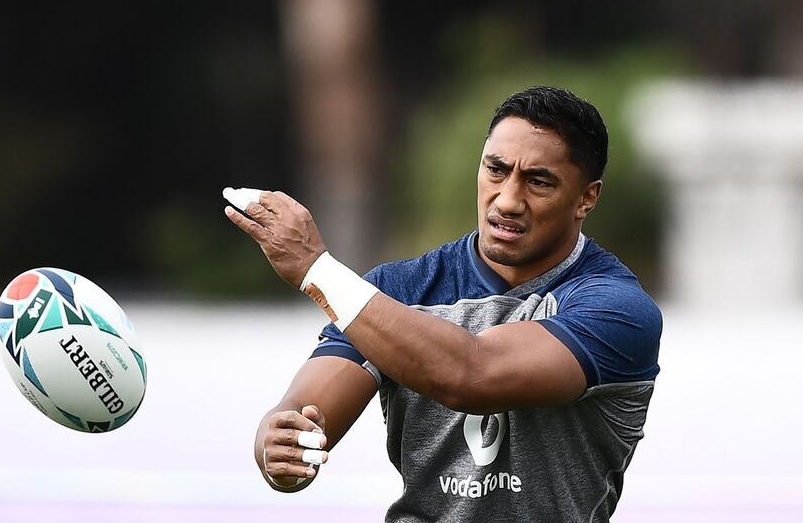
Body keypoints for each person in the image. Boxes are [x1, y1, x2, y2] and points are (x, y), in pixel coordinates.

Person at [223, 86, 662, 522]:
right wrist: (278, 448)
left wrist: (317, 270)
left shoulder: (618, 310)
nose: (508, 200)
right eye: (496, 170)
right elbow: (299, 416)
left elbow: (471, 375)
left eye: (538, 181)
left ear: (587, 197)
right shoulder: (395, 291)